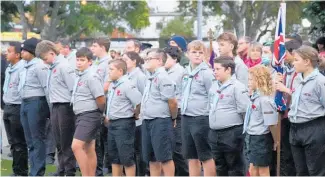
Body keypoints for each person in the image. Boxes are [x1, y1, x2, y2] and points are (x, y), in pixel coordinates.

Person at [276, 45, 325, 175]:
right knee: (300, 170)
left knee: (315, 171)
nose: (294, 62)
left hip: (313, 128)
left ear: (307, 61)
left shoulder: (320, 82)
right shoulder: (297, 79)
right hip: (295, 127)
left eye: (297, 60)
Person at [35, 40, 77, 176]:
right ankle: (62, 169)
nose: (44, 62)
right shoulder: (52, 67)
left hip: (65, 107)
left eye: (45, 58)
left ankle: (69, 171)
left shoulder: (64, 66)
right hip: (55, 106)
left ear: (52, 53)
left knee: (66, 141)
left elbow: (73, 89)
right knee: (58, 141)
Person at [209, 56, 249, 176]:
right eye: (214, 69)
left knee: (234, 166)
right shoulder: (214, 86)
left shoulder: (237, 86)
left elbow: (244, 111)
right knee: (220, 166)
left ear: (228, 70)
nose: (214, 72)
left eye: (217, 69)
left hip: (232, 132)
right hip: (215, 133)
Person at [181, 40, 216, 176]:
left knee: (205, 155)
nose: (197, 55)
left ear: (205, 55)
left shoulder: (206, 73)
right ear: (187, 54)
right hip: (186, 116)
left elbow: (212, 95)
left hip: (201, 118)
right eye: (194, 52)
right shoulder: (185, 72)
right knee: (191, 156)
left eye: (200, 52)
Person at [141, 49, 178, 176]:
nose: (146, 62)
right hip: (148, 120)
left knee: (165, 156)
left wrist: (173, 118)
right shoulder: (150, 77)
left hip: (160, 121)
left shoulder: (163, 77)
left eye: (149, 59)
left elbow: (172, 102)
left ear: (159, 61)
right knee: (152, 158)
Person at [71, 47, 105, 176]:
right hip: (81, 114)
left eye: (82, 60)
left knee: (76, 146)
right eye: (77, 60)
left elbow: (100, 98)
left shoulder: (91, 76)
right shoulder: (80, 74)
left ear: (89, 61)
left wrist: (99, 113)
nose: (79, 62)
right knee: (89, 148)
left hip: (90, 114)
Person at [18, 37, 50, 176]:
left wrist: (49, 108)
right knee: (29, 140)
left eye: (24, 50)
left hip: (36, 102)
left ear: (32, 51)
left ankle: (38, 171)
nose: (21, 52)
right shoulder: (25, 66)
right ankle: (33, 170)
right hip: (25, 102)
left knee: (37, 139)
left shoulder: (39, 66)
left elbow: (46, 87)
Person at [104, 59, 142, 176]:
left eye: (111, 69)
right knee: (114, 156)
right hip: (113, 123)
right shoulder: (113, 85)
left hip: (124, 124)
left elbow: (139, 101)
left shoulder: (127, 85)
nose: (108, 72)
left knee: (126, 156)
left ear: (120, 71)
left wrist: (136, 114)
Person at [243, 65, 278, 176]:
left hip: (261, 138)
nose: (248, 82)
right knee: (253, 167)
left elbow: (271, 123)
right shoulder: (254, 97)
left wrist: (276, 140)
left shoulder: (265, 100)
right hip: (251, 136)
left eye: (251, 79)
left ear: (259, 80)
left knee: (262, 169)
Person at [2, 42, 28, 176]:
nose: (6, 53)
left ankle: (22, 171)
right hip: (8, 106)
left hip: (17, 107)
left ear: (17, 55)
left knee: (19, 142)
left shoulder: (22, 69)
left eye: (9, 51)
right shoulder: (9, 68)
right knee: (12, 142)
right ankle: (16, 170)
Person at [164, 46, 189, 176]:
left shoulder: (181, 72)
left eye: (166, 58)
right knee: (169, 148)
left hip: (177, 111)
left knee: (178, 147)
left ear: (174, 58)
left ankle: (184, 173)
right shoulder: (163, 71)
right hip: (166, 112)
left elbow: (184, 93)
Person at [121, 51, 147, 176]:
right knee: (130, 150)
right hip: (129, 119)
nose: (123, 62)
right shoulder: (126, 76)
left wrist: (139, 112)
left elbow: (144, 97)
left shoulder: (140, 76)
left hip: (139, 119)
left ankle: (141, 174)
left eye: (126, 59)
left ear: (134, 61)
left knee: (139, 150)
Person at [91, 37, 112, 176]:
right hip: (96, 102)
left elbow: (107, 85)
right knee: (98, 139)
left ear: (103, 47)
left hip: (105, 103)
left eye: (94, 45)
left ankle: (104, 167)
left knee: (104, 138)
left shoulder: (108, 63)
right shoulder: (96, 63)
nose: (92, 48)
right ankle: (99, 167)